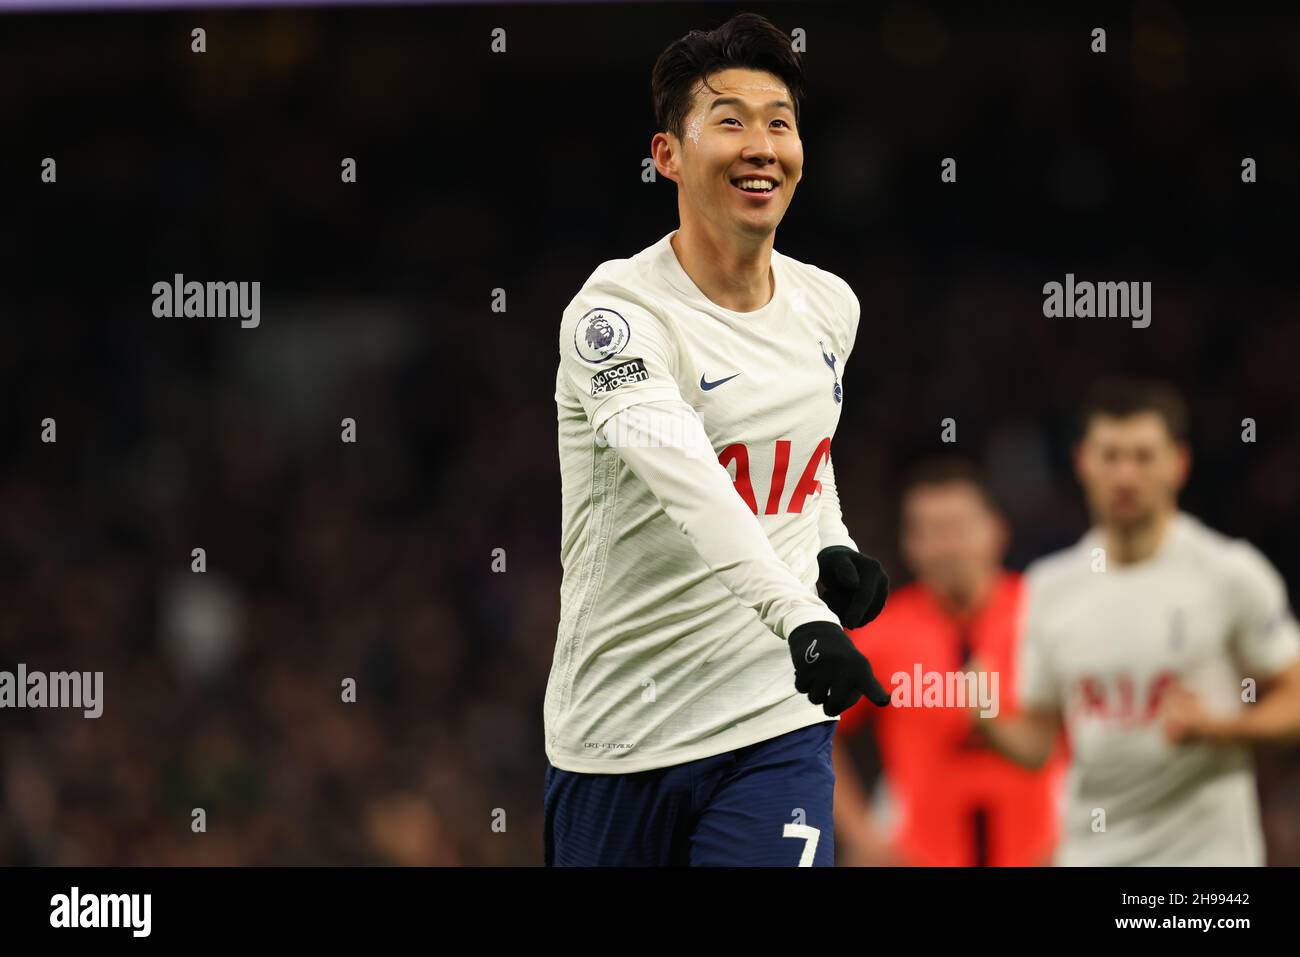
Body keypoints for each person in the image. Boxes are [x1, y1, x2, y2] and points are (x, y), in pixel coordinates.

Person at [543, 12, 891, 866]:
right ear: (667, 154)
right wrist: (800, 614)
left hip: (774, 720)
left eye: (780, 123)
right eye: (730, 122)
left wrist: (831, 538)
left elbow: (801, 449)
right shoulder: (617, 317)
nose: (761, 146)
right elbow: (692, 480)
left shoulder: (829, 305)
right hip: (622, 736)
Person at [976, 379, 1300, 865]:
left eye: (1144, 457)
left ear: (1178, 464)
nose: (1126, 475)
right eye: (1110, 456)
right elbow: (1039, 744)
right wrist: (984, 716)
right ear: (1082, 462)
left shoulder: (1230, 573)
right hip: (1091, 853)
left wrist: (1222, 729)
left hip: (1205, 858)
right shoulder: (1048, 586)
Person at [834, 458, 1065, 866]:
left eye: (958, 528)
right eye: (930, 532)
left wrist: (1081, 834)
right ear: (908, 544)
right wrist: (861, 837)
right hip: (923, 856)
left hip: (1043, 854)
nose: (947, 547)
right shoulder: (884, 633)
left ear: (997, 531)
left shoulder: (1047, 618)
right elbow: (814, 726)